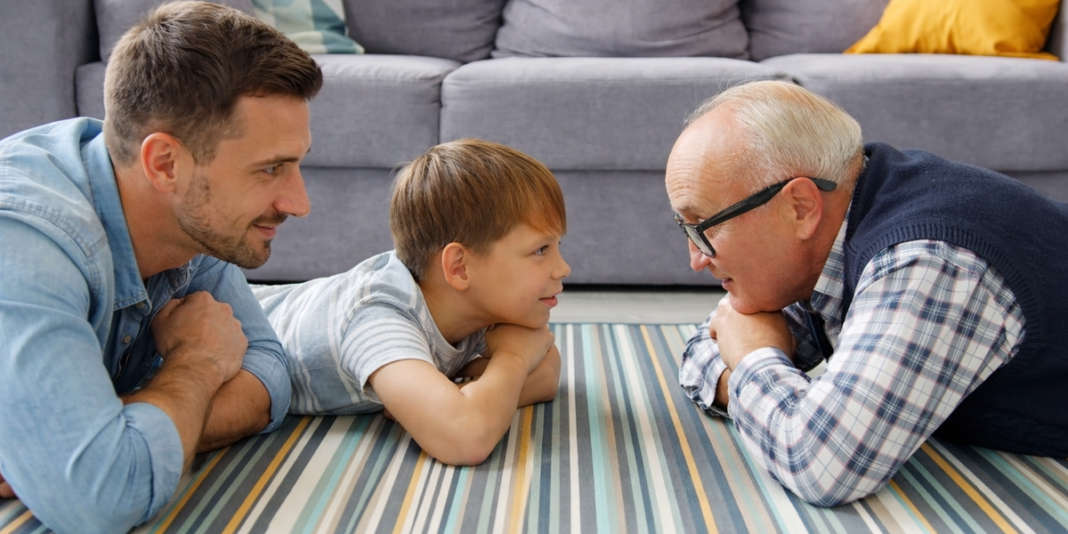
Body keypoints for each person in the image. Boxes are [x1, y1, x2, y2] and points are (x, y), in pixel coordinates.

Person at [665, 80, 1068, 507]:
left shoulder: (927, 261)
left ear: (799, 207)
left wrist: (750, 360)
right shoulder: (835, 221)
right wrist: (754, 369)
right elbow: (704, 349)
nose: (696, 257)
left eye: (704, 226)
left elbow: (822, 465)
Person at [0, 2, 322, 532]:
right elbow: (101, 499)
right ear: (165, 164)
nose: (299, 202)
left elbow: (269, 374)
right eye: (270, 169)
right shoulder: (28, 241)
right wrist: (195, 365)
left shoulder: (186, 227)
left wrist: (122, 430)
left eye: (296, 163)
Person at [253, 139, 567, 465]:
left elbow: (545, 372)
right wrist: (512, 360)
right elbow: (464, 439)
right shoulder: (379, 316)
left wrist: (458, 398)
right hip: (241, 323)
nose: (563, 268)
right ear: (459, 267)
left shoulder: (472, 300)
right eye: (540, 250)